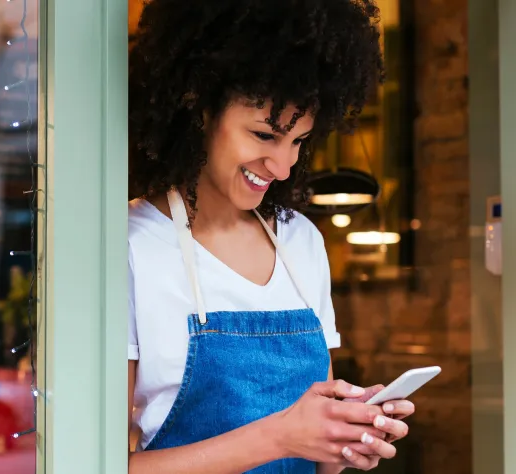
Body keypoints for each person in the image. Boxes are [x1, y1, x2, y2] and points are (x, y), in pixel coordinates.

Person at [127, 1, 415, 473]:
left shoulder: (301, 241)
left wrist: (346, 439)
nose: (282, 168)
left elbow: (316, 454)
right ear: (199, 107)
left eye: (298, 141)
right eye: (264, 135)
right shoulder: (133, 247)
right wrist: (279, 437)